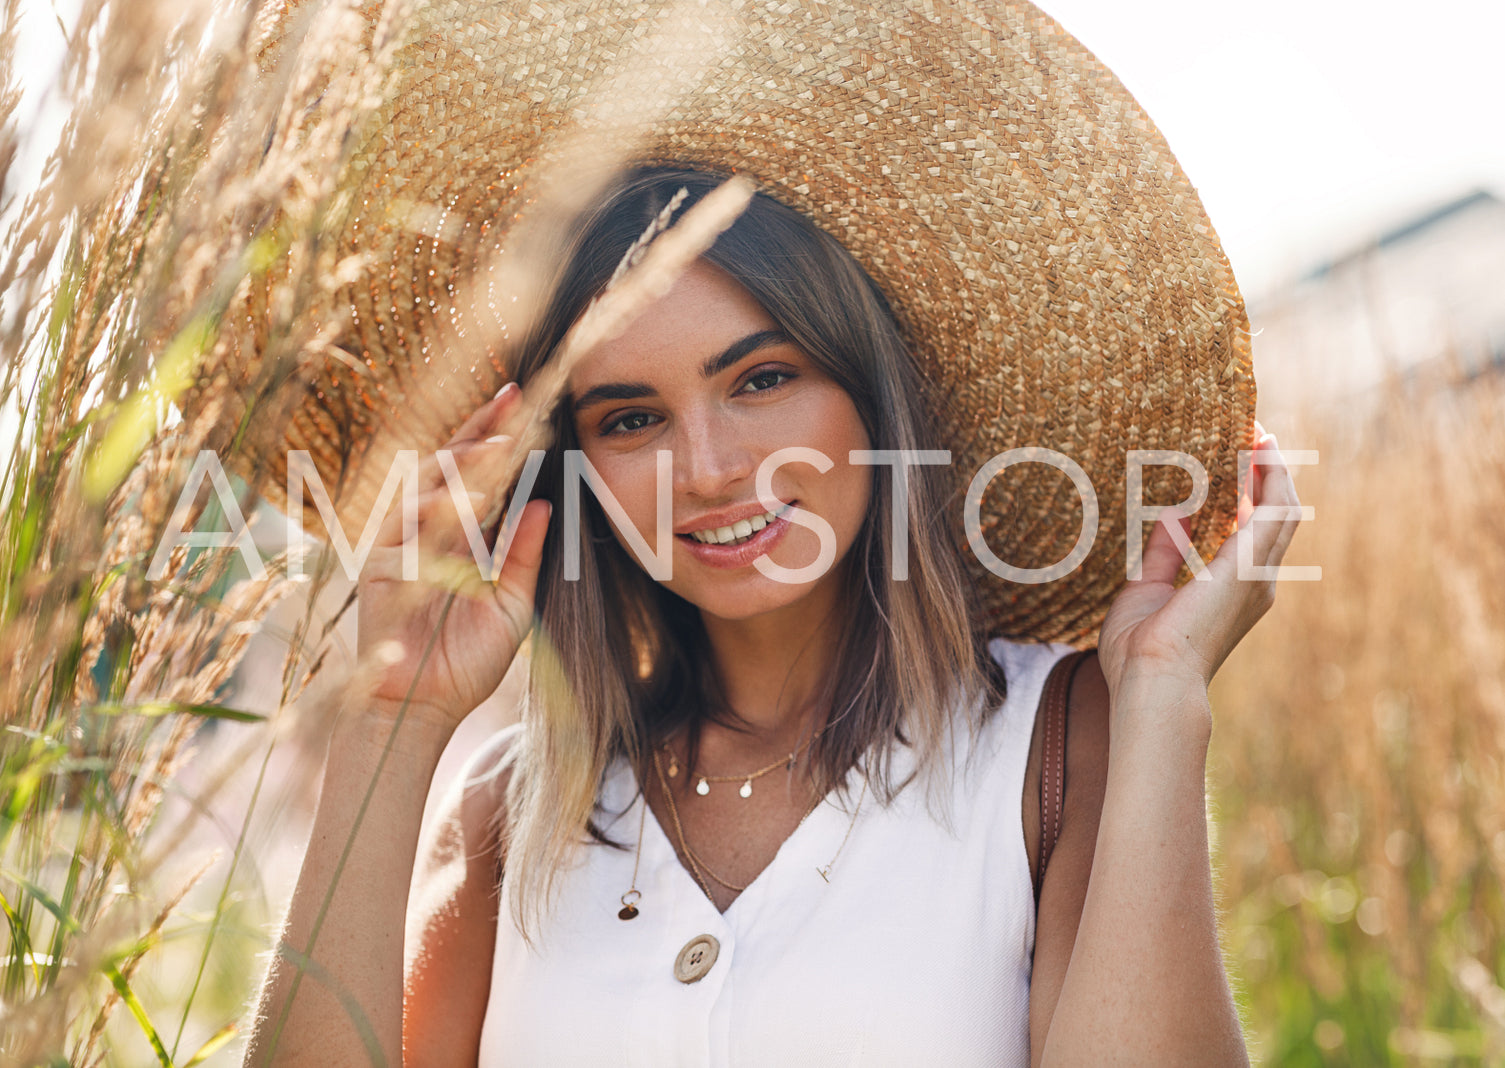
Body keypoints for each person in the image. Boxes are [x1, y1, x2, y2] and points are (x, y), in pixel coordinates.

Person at [242, 2, 1299, 1065]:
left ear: (870, 399)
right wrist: (391, 716)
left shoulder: (1057, 748)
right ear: (574, 467)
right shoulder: (503, 816)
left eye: (761, 378)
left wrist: (1163, 698)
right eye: (630, 418)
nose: (703, 470)